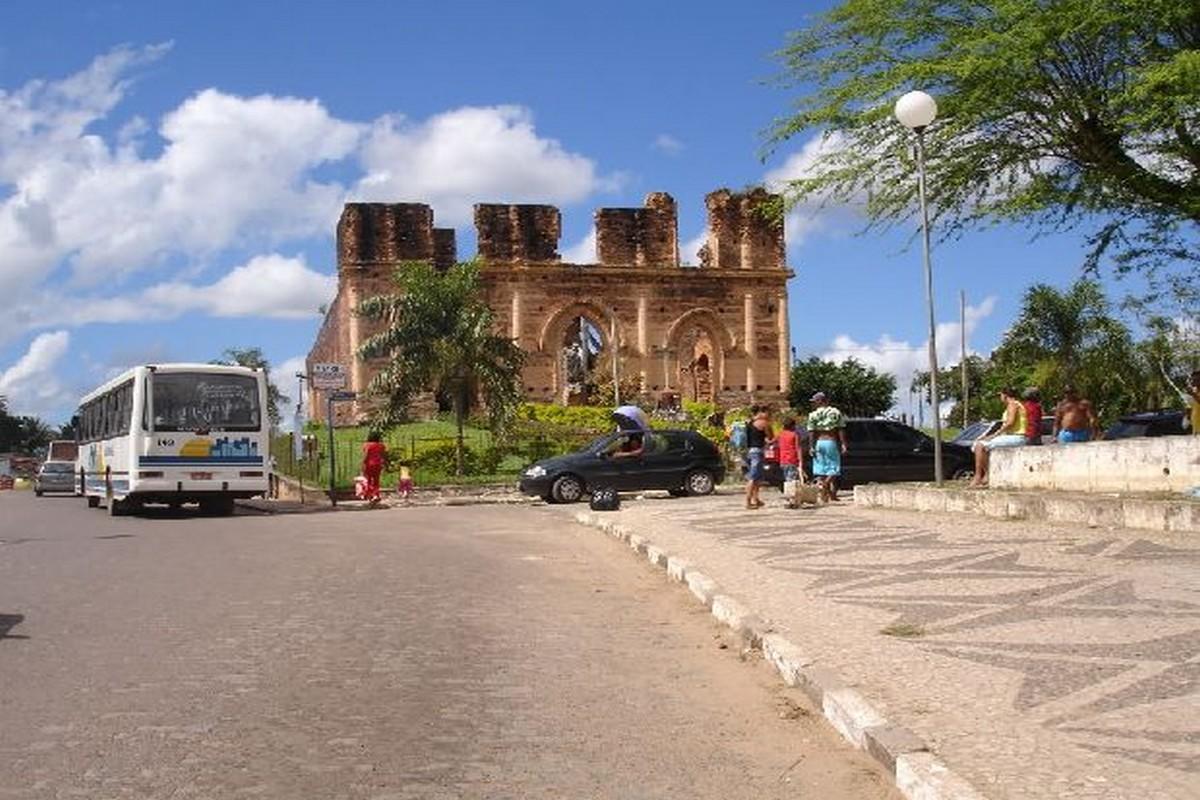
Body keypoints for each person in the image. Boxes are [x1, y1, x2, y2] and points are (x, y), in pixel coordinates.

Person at [970, 388, 1027, 487]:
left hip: (1017, 437)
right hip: (1012, 436)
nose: (1000, 398)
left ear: (1005, 395)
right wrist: (988, 436)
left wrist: (994, 435)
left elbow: (1010, 422)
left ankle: (979, 476)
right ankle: (987, 474)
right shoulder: (1014, 404)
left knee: (979, 445)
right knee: (978, 445)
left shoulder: (1013, 404)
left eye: (1000, 395)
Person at [806, 392, 846, 502]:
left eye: (815, 401)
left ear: (819, 401)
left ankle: (827, 495)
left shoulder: (813, 415)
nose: (814, 404)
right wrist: (843, 443)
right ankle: (825, 485)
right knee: (834, 467)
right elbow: (840, 429)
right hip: (830, 441)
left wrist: (811, 446)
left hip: (819, 442)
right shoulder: (835, 412)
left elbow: (811, 432)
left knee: (822, 469)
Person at [744, 408, 773, 510]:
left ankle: (756, 499)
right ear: (763, 413)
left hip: (750, 451)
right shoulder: (763, 423)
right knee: (753, 477)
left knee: (757, 478)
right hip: (758, 452)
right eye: (769, 414)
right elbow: (770, 436)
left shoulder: (750, 423)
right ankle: (748, 501)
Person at [776, 417, 802, 508]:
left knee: (787, 479)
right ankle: (791, 500)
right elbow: (798, 448)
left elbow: (776, 444)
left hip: (783, 460)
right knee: (792, 481)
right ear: (792, 426)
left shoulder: (781, 434)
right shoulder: (794, 435)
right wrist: (800, 460)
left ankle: (789, 499)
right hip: (792, 459)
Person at [360, 431, 387, 505]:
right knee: (376, 481)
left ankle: (370, 495)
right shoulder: (381, 445)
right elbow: (383, 455)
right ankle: (376, 494)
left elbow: (366, 455)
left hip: (369, 464)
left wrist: (363, 463)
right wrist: (384, 463)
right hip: (378, 464)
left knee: (369, 480)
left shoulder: (367, 445)